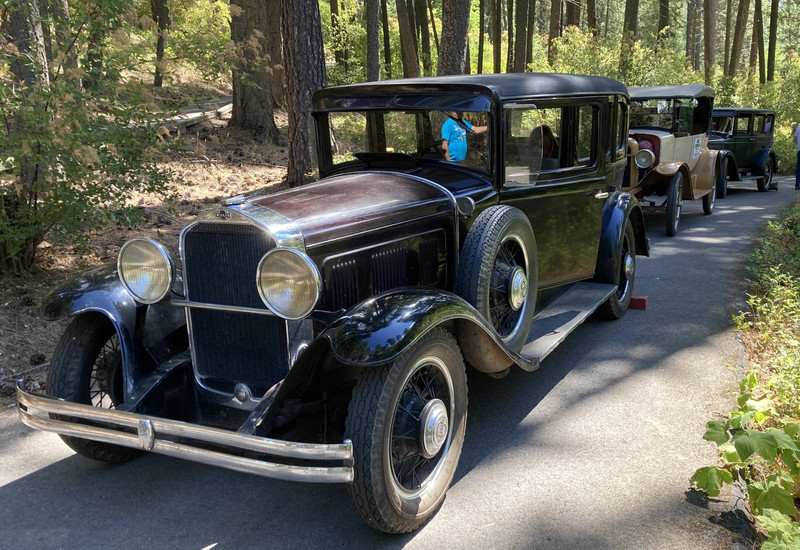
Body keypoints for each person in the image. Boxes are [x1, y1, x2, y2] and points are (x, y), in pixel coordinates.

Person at [794, 122, 800, 190]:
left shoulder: (798, 128)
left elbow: (795, 139)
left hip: (799, 151)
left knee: (798, 169)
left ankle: (797, 185)